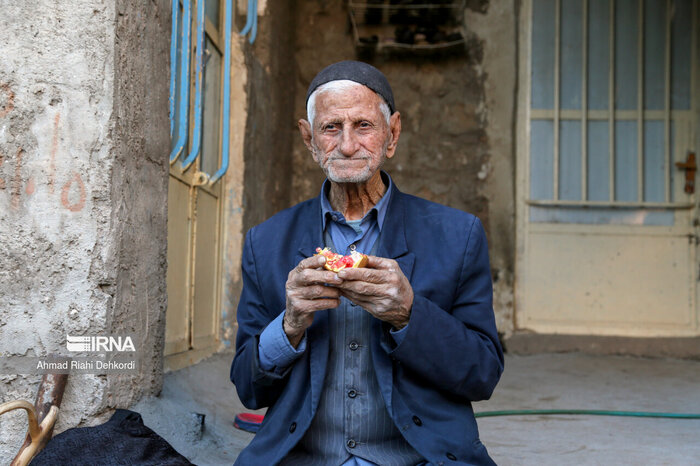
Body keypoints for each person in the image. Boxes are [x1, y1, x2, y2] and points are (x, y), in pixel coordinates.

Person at [230, 60, 504, 465]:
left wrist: (409, 313)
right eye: (330, 128)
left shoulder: (457, 235)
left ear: (391, 135)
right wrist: (288, 327)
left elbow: (482, 374)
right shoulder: (266, 242)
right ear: (309, 139)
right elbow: (248, 389)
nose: (346, 145)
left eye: (363, 126)